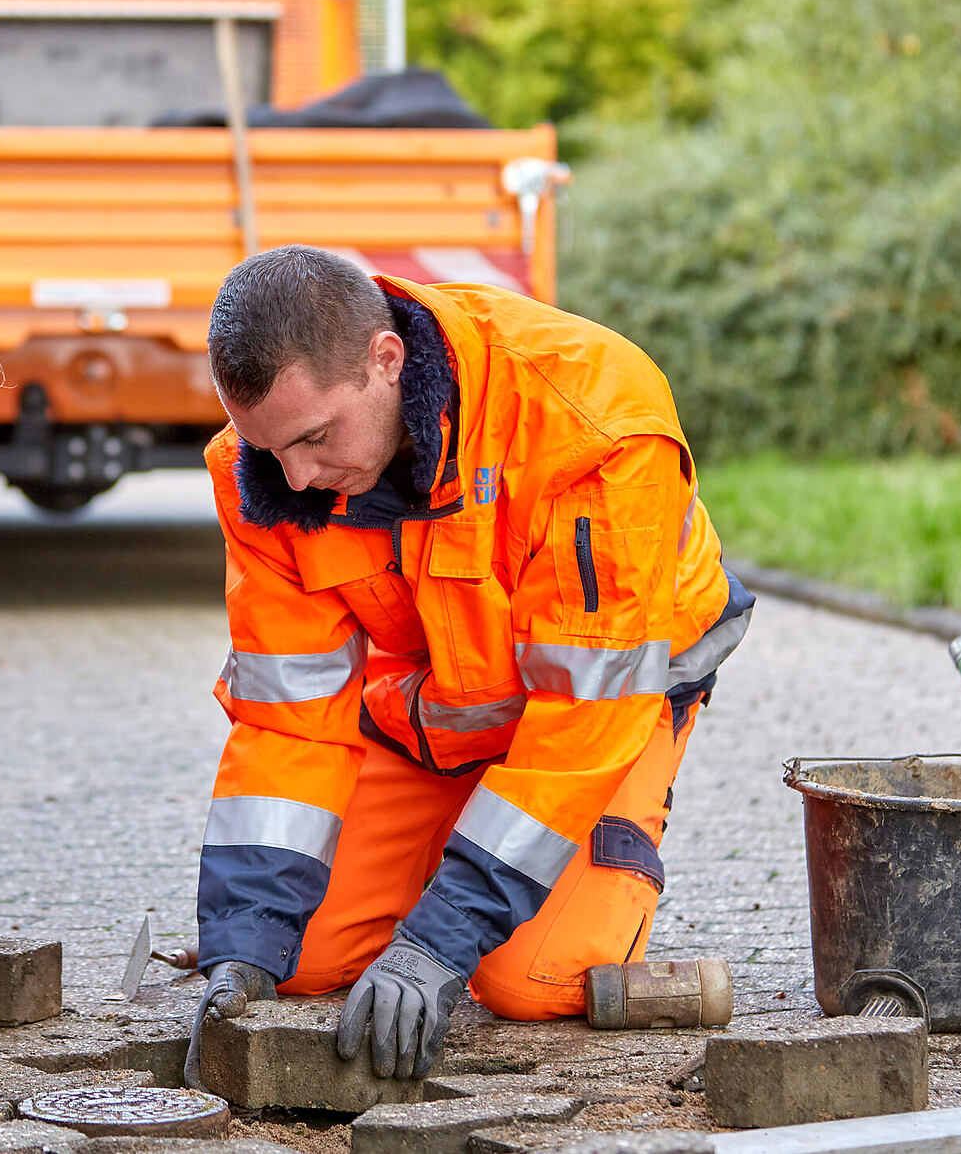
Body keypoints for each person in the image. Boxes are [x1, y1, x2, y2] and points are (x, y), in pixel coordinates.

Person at [186, 246, 753, 1083]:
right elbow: (290, 717)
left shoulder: (594, 423)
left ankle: (488, 879)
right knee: (291, 961)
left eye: (314, 438)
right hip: (441, 711)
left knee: (527, 980)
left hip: (599, 717)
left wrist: (438, 941)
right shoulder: (262, 474)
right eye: (273, 449)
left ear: (387, 361)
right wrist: (239, 945)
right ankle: (447, 859)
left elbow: (584, 721)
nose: (298, 477)